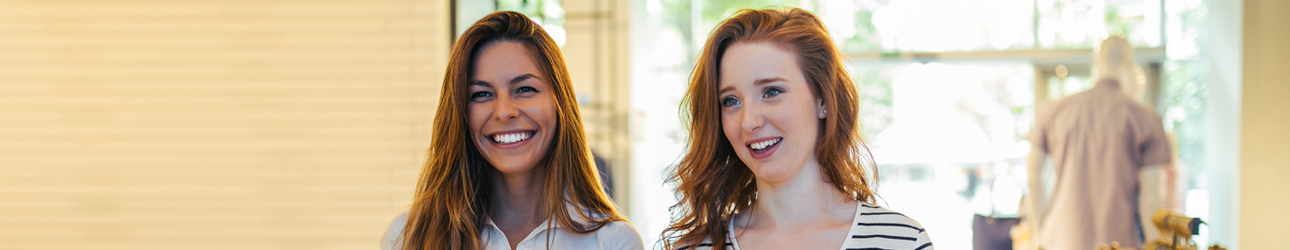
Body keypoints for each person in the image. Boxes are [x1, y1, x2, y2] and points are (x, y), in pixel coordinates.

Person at [662, 7, 933, 250]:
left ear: (823, 100)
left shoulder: (902, 241)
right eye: (731, 101)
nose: (748, 121)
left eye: (771, 91)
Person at [380, 11, 644, 250]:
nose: (504, 111)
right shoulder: (407, 238)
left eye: (525, 89)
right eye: (482, 94)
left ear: (559, 102)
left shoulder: (613, 241)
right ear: (460, 113)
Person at [1025, 36, 1173, 250]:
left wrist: (1039, 235)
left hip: (1059, 240)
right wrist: (1154, 243)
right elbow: (1151, 199)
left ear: (1095, 62)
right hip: (1119, 242)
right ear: (1130, 64)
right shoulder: (1146, 119)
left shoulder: (1054, 111)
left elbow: (1033, 177)